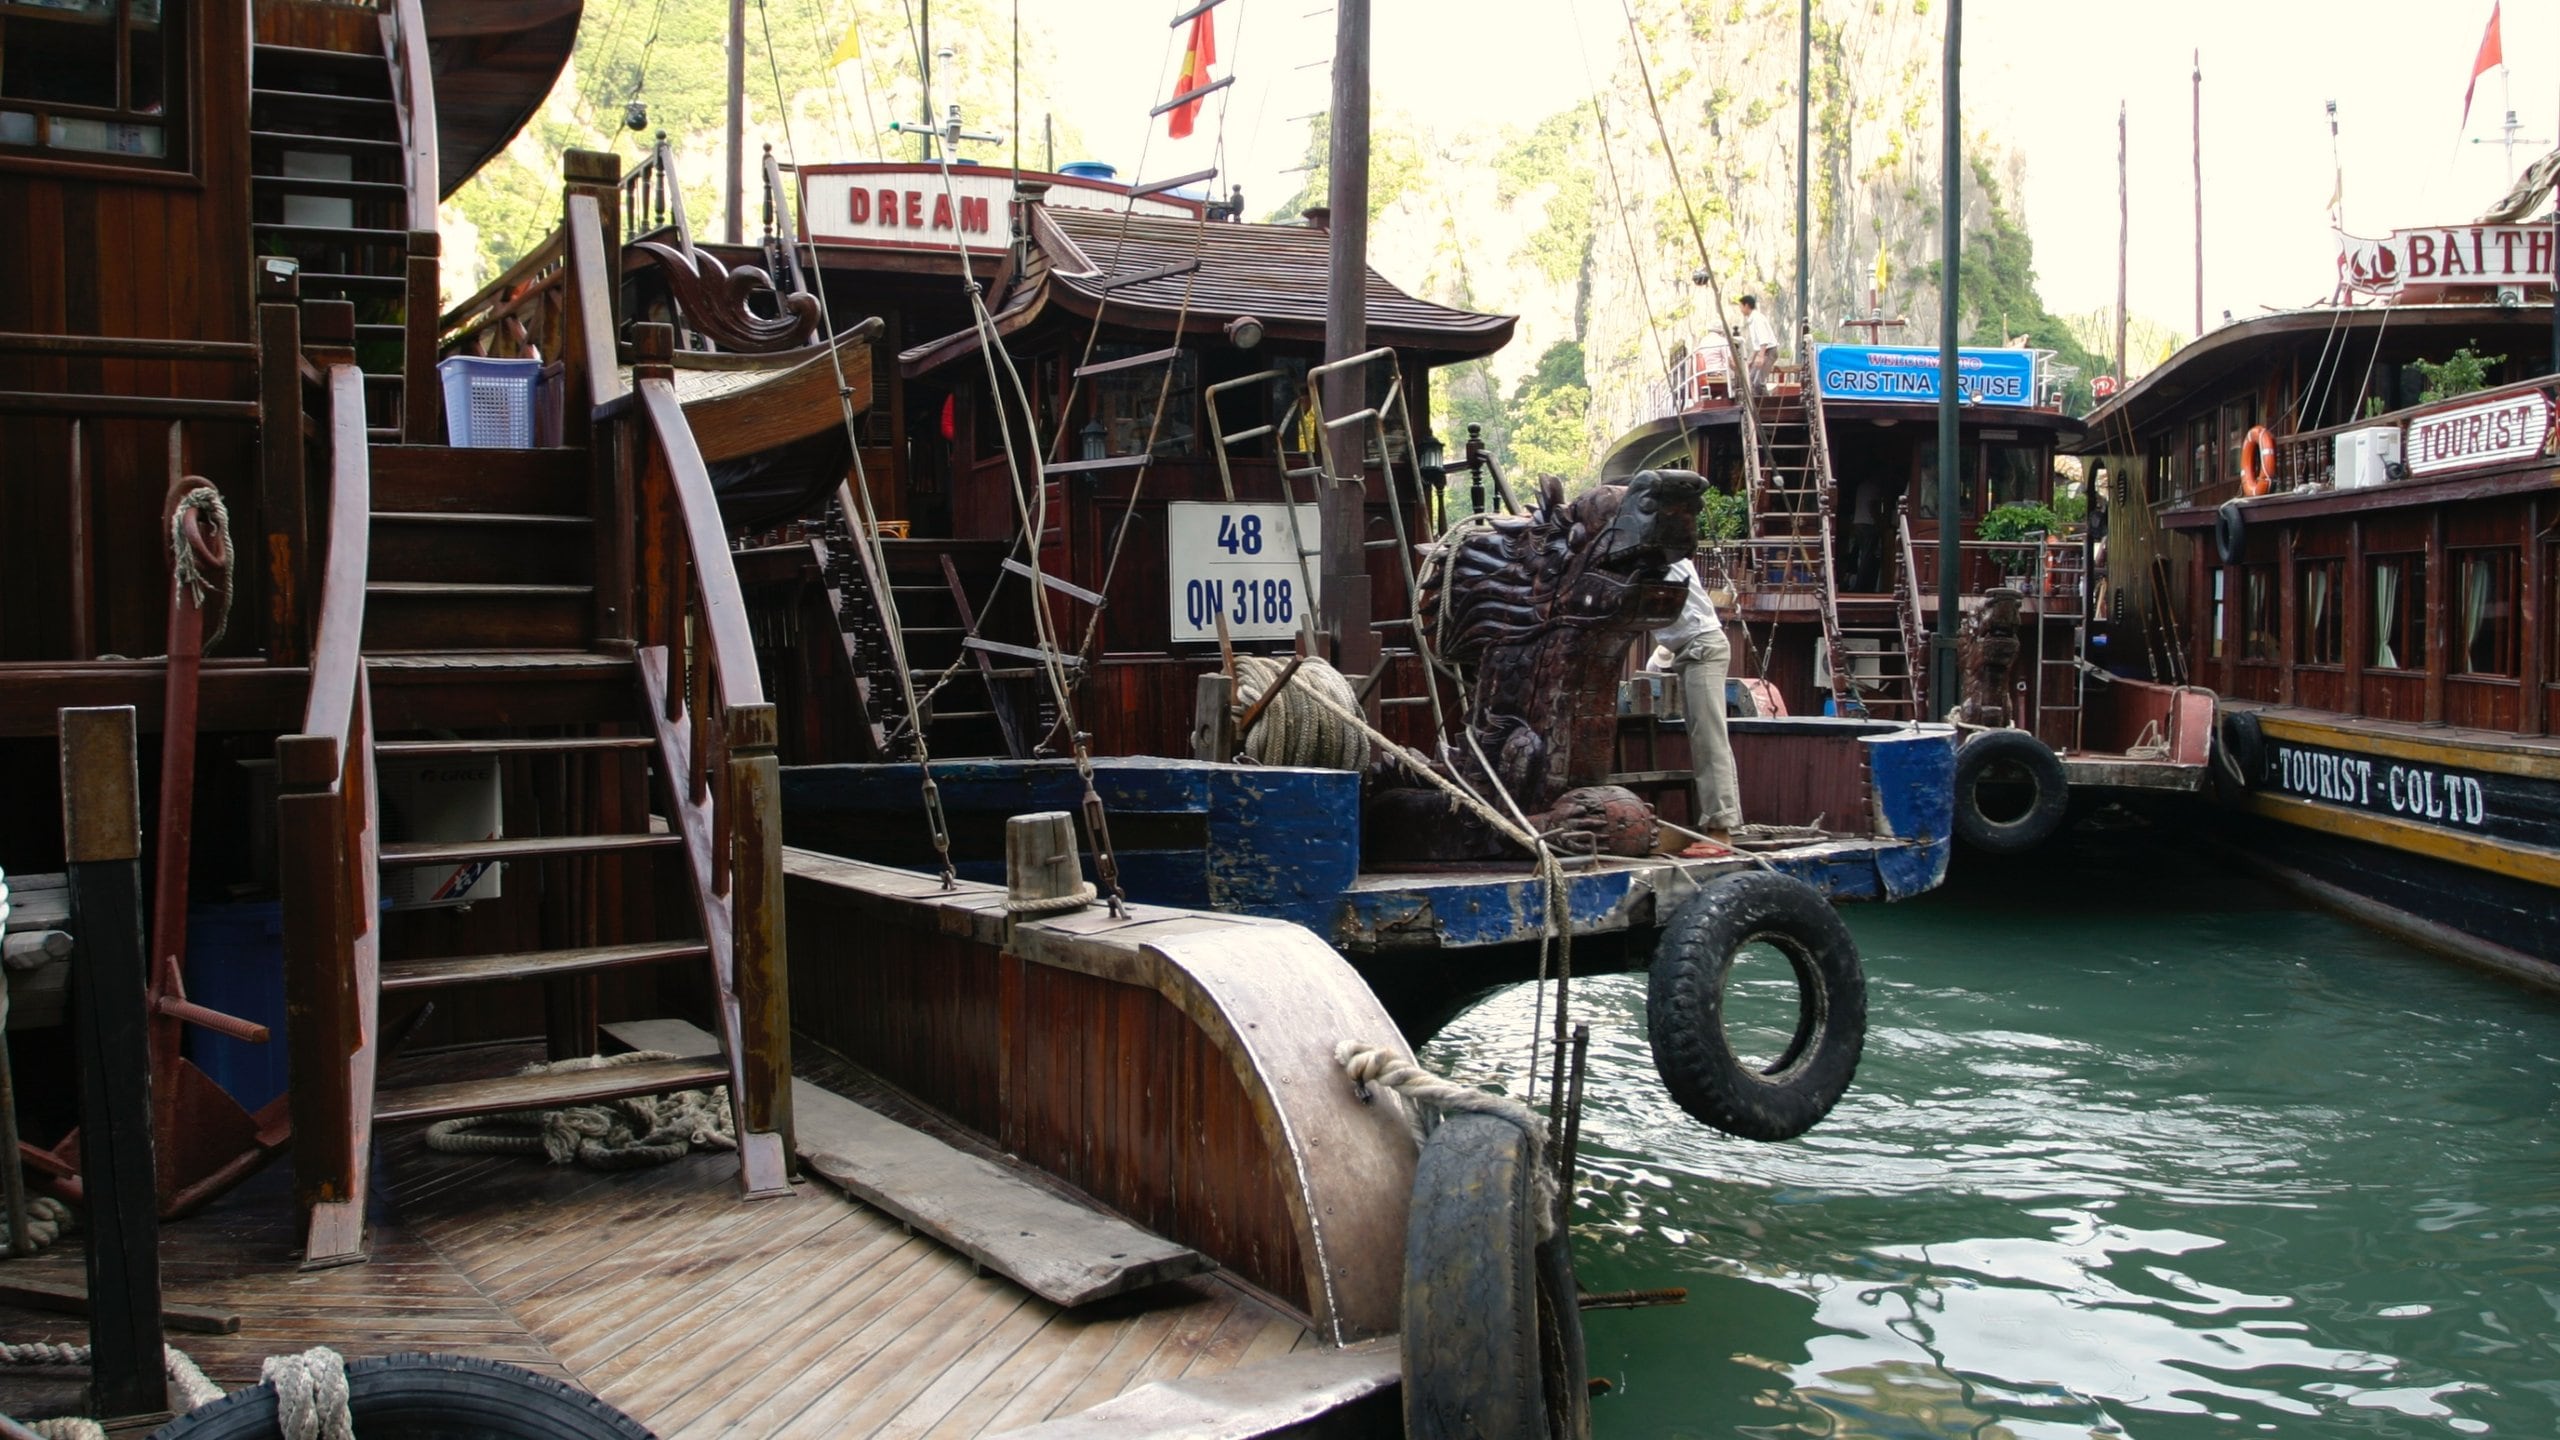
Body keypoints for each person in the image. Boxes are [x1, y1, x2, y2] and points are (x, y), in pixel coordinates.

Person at [1656, 557, 1741, 843]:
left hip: (1702, 647)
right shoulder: (1657, 552)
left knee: (1708, 738)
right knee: (1706, 737)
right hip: (1692, 649)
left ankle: (1721, 829)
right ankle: (1721, 823)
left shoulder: (1662, 553)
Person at [1737, 295, 1780, 394]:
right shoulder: (1752, 320)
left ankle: (1766, 405)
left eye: (1741, 307)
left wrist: (1761, 357)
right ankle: (1753, 405)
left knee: (1758, 382)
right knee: (1750, 379)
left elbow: (1764, 339)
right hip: (1762, 351)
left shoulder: (1757, 318)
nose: (1741, 310)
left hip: (1769, 351)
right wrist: (1751, 360)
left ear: (1746, 306)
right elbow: (1757, 345)